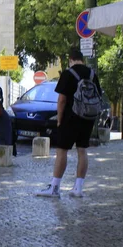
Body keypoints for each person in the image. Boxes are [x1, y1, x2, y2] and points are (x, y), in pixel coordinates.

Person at [36, 49, 102, 198]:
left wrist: (59, 118)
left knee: (62, 151)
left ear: (70, 59)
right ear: (82, 59)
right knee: (82, 150)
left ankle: (54, 187)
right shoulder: (92, 74)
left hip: (70, 118)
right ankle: (78, 188)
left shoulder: (68, 73)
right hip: (88, 118)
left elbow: (62, 99)